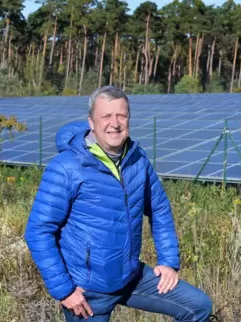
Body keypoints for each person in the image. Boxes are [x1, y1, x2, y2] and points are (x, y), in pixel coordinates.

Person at [24, 86, 212, 321]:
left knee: (198, 306)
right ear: (91, 122)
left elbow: (159, 208)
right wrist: (65, 291)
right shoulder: (66, 167)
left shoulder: (137, 159)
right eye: (106, 116)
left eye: (121, 115)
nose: (115, 123)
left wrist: (169, 261)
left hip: (131, 277)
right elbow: (38, 231)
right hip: (87, 291)